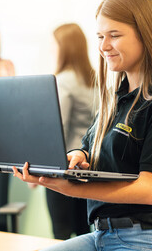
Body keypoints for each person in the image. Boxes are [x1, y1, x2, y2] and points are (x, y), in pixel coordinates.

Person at [13, 0, 152, 251]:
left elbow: (149, 190)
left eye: (114, 35)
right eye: (100, 36)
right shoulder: (115, 101)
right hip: (102, 235)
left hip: (145, 237)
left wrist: (71, 189)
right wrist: (78, 155)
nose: (103, 46)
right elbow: (87, 146)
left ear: (146, 36)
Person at [46, 23, 97, 240]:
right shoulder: (95, 80)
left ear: (64, 48)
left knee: (61, 233)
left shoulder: (63, 81)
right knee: (84, 233)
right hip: (87, 167)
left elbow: (58, 128)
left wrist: (39, 170)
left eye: (54, 45)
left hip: (63, 166)